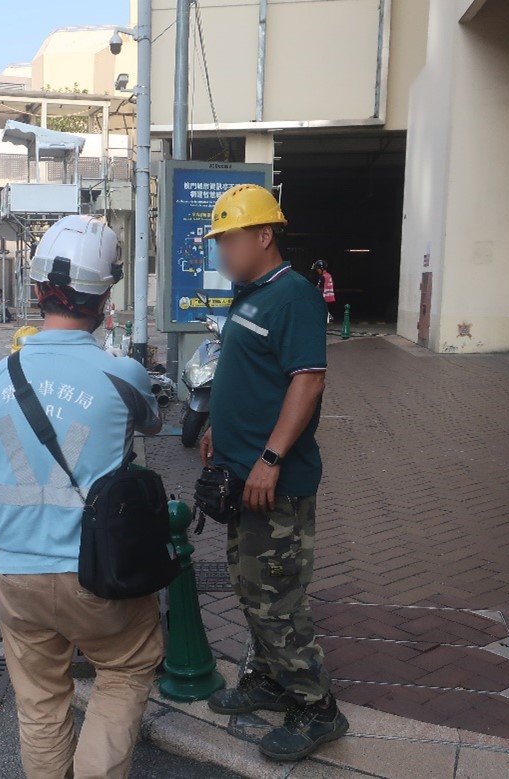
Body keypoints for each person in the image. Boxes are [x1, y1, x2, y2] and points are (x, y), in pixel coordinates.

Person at [0, 214, 164, 779]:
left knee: (40, 702)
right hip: (98, 572)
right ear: (105, 299)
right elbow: (150, 426)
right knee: (126, 669)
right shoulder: (123, 374)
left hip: (13, 573)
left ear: (36, 292)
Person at [199, 184, 346, 762]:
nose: (222, 251)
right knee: (249, 585)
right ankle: (268, 677)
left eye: (229, 239)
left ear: (264, 236)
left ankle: (316, 706)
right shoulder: (250, 295)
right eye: (218, 241)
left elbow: (308, 381)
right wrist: (217, 426)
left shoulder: (294, 297)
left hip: (275, 482)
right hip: (243, 476)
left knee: (276, 597)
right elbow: (246, 374)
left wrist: (270, 459)